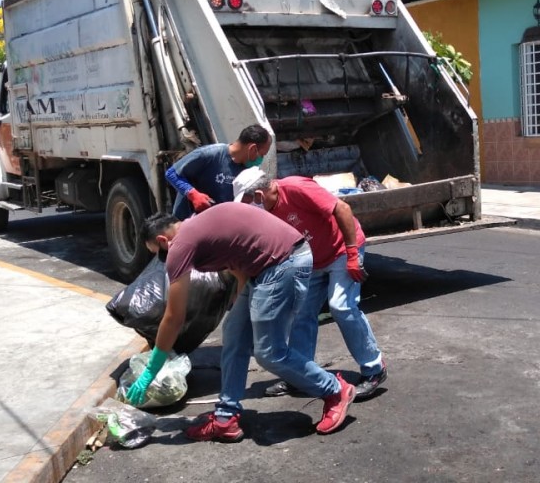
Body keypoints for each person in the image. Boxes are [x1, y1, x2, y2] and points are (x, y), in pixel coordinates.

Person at [126, 204, 356, 442]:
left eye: (158, 252)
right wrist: (240, 297)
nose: (163, 259)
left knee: (269, 353)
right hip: (264, 266)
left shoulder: (181, 244)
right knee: (234, 335)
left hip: (283, 263)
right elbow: (235, 258)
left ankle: (335, 390)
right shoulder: (196, 226)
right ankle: (226, 417)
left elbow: (174, 317)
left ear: (163, 240)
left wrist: (151, 371)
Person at [232, 167, 387, 401]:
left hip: (341, 250)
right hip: (311, 259)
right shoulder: (264, 212)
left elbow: (342, 209)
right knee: (300, 313)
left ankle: (374, 369)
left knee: (341, 306)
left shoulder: (296, 188)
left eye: (247, 202)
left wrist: (353, 254)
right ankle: (299, 375)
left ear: (259, 196)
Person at [165, 124, 271, 219]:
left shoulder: (248, 171)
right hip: (186, 222)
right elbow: (172, 173)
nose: (261, 159)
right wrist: (192, 194)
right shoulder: (210, 154)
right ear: (252, 149)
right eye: (262, 155)